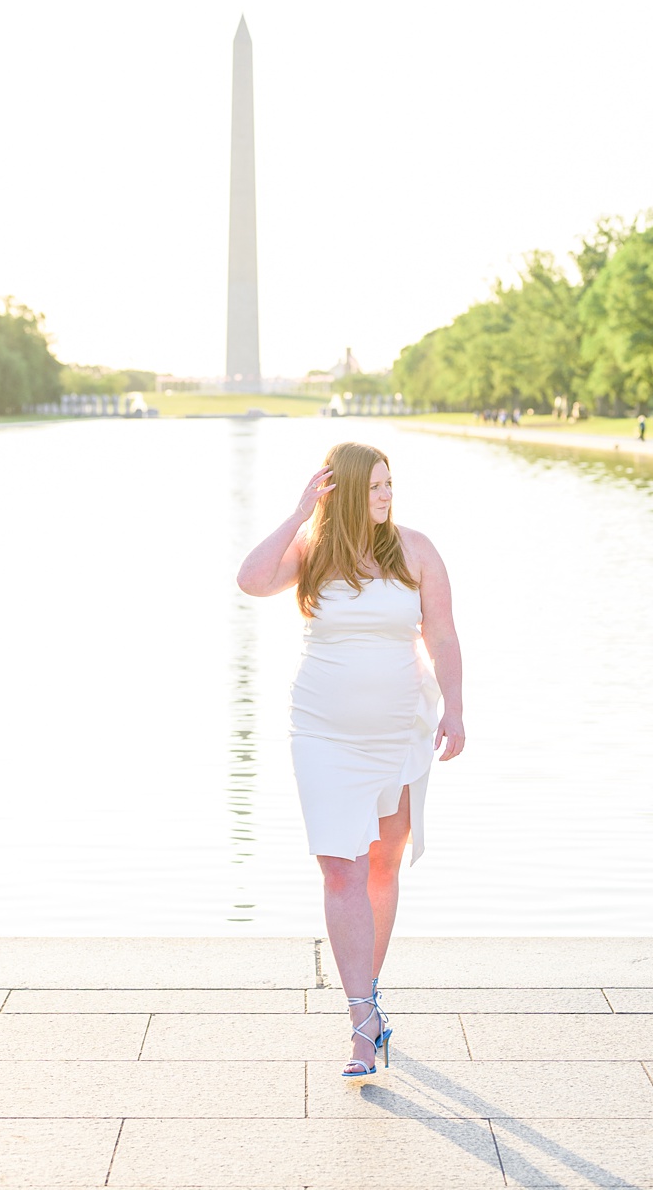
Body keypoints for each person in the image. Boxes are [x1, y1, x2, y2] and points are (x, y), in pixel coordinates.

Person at [235, 441, 465, 1078]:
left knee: (383, 867)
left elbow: (442, 633)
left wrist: (456, 709)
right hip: (323, 733)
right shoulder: (312, 551)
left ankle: (370, 994)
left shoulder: (416, 550)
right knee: (341, 867)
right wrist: (298, 512)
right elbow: (251, 580)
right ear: (341, 493)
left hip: (402, 730)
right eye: (373, 488)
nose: (386, 497)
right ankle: (362, 1020)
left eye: (391, 485)